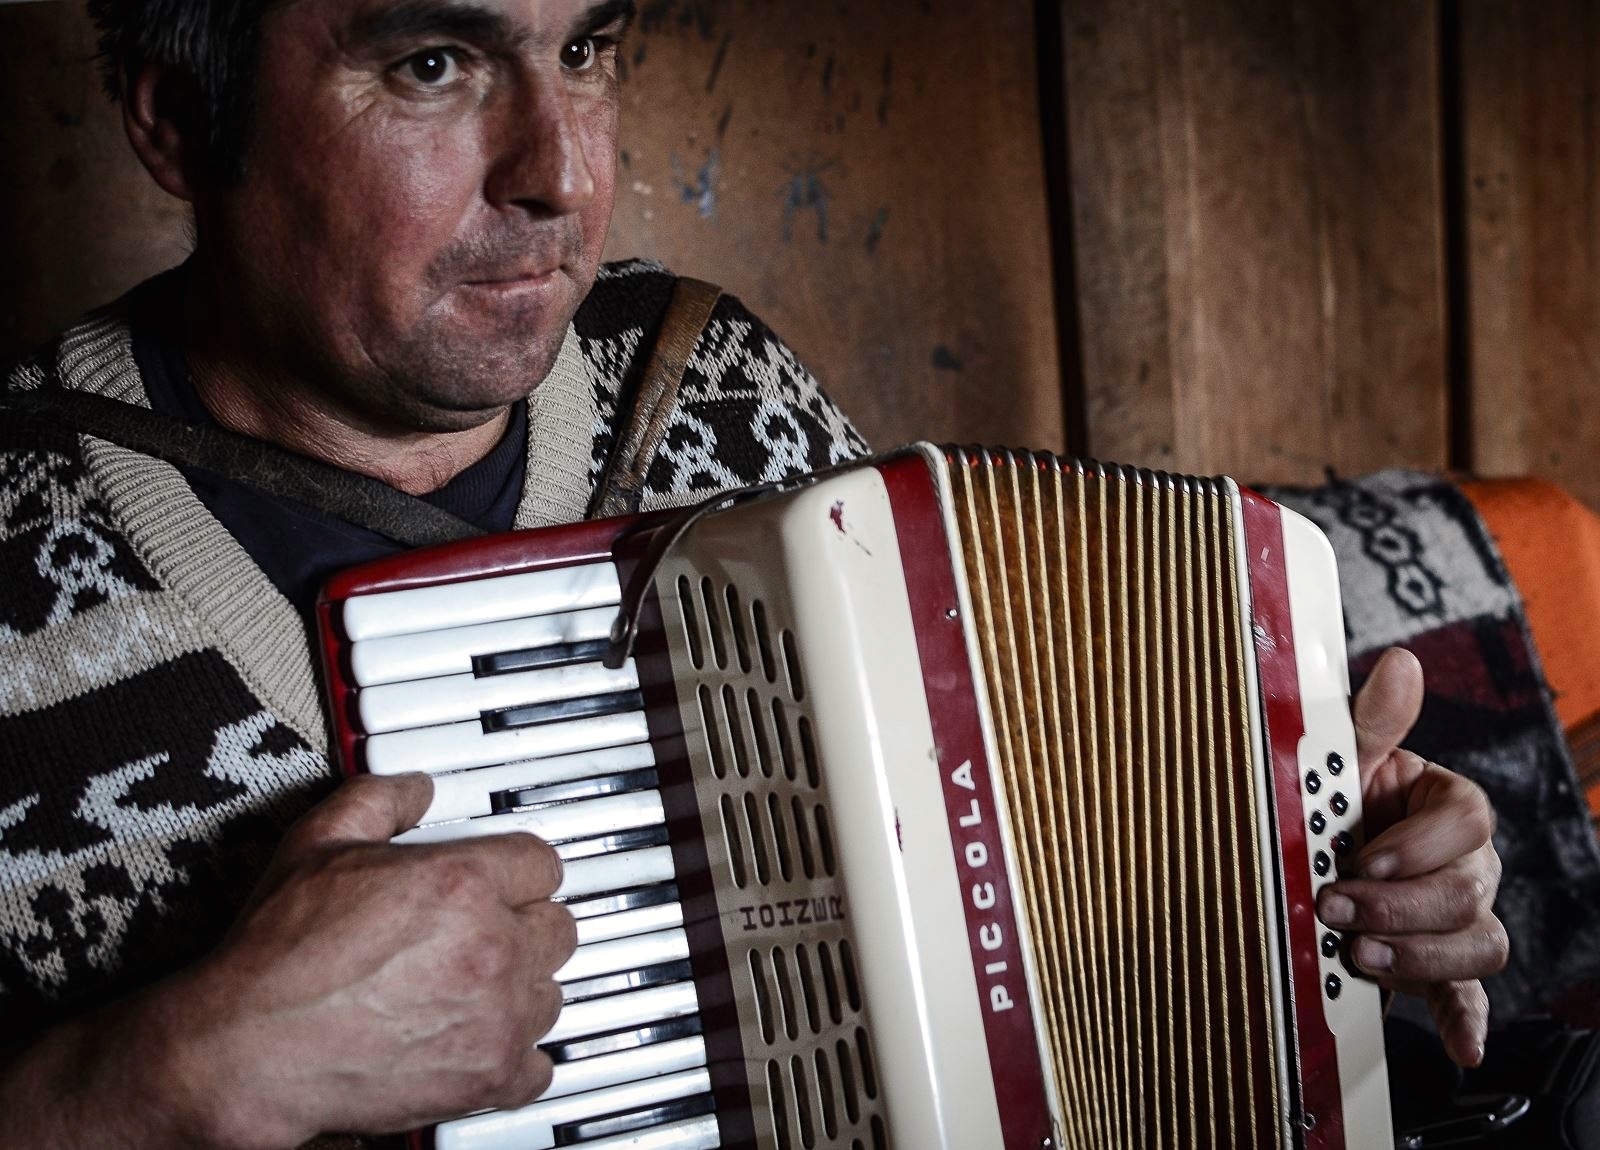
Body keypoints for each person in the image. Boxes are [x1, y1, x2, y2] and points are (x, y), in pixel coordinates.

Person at [0, 0, 1505, 1145]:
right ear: (180, 124)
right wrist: (168, 1074)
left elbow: (984, 847)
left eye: (585, 49)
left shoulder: (713, 377)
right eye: (432, 64)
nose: (559, 173)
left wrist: (1314, 861)